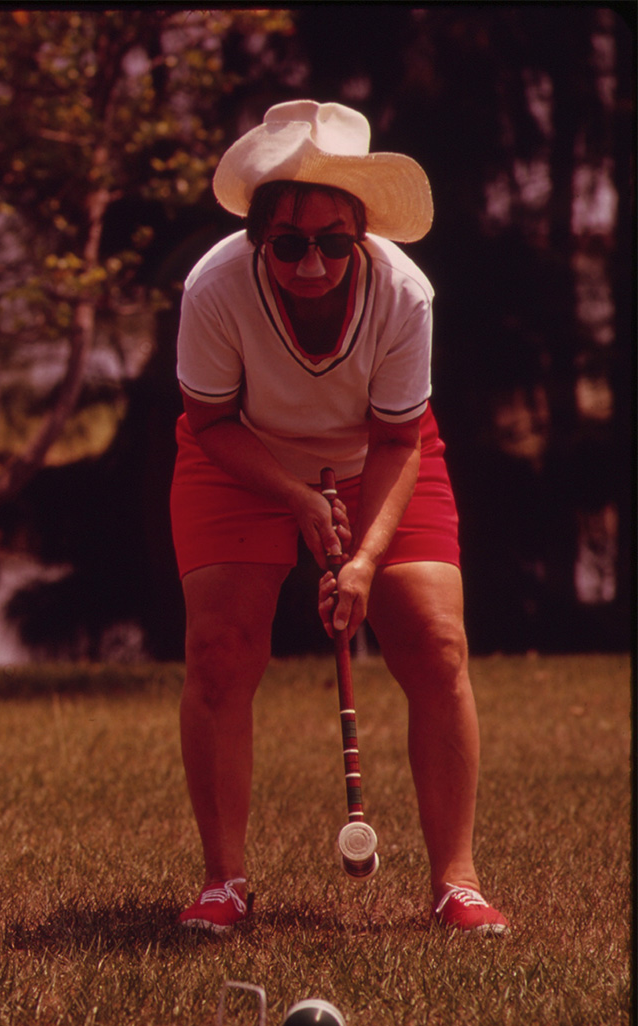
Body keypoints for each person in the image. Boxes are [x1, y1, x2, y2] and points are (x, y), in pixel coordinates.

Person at [169, 100, 508, 936]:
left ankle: (455, 883)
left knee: (434, 639)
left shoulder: (403, 292)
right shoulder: (214, 288)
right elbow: (208, 421)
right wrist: (291, 495)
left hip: (378, 458)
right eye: (287, 243)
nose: (310, 262)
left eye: (332, 241)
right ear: (258, 239)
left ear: (361, 234)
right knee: (220, 648)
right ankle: (224, 882)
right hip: (240, 453)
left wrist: (362, 562)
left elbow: (400, 438)